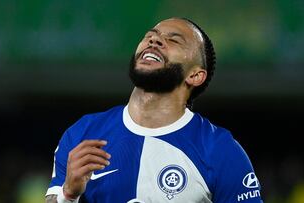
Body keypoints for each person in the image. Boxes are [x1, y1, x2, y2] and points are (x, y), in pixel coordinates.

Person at [45, 17, 263, 203]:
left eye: (174, 39)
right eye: (151, 34)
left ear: (195, 75)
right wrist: (68, 194)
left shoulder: (220, 150)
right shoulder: (84, 133)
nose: (154, 39)